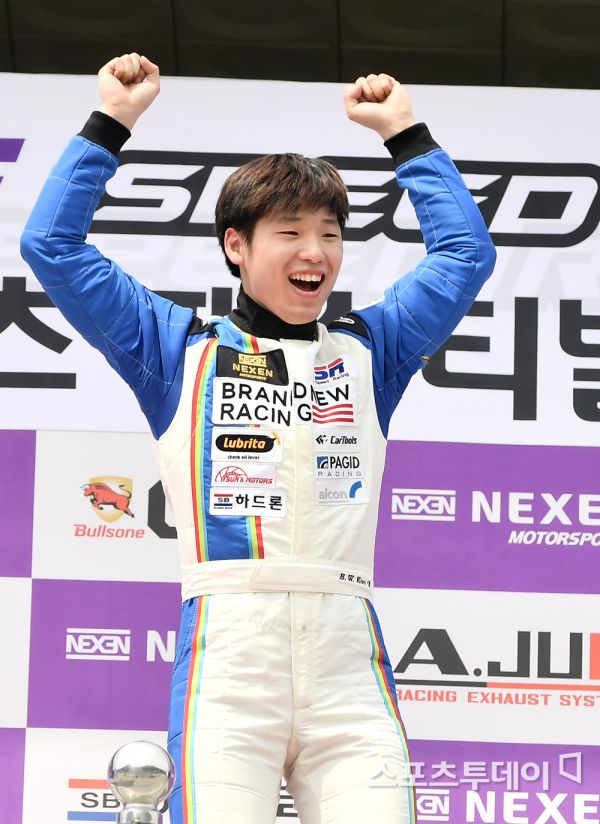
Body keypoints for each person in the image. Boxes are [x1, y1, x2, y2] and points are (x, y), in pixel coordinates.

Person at [21, 53, 496, 824]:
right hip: (230, 671)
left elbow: (465, 255)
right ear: (236, 245)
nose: (316, 252)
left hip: (348, 668)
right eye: (291, 232)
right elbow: (52, 245)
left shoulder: (371, 351)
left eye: (331, 233)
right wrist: (112, 122)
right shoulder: (177, 349)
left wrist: (405, 135)